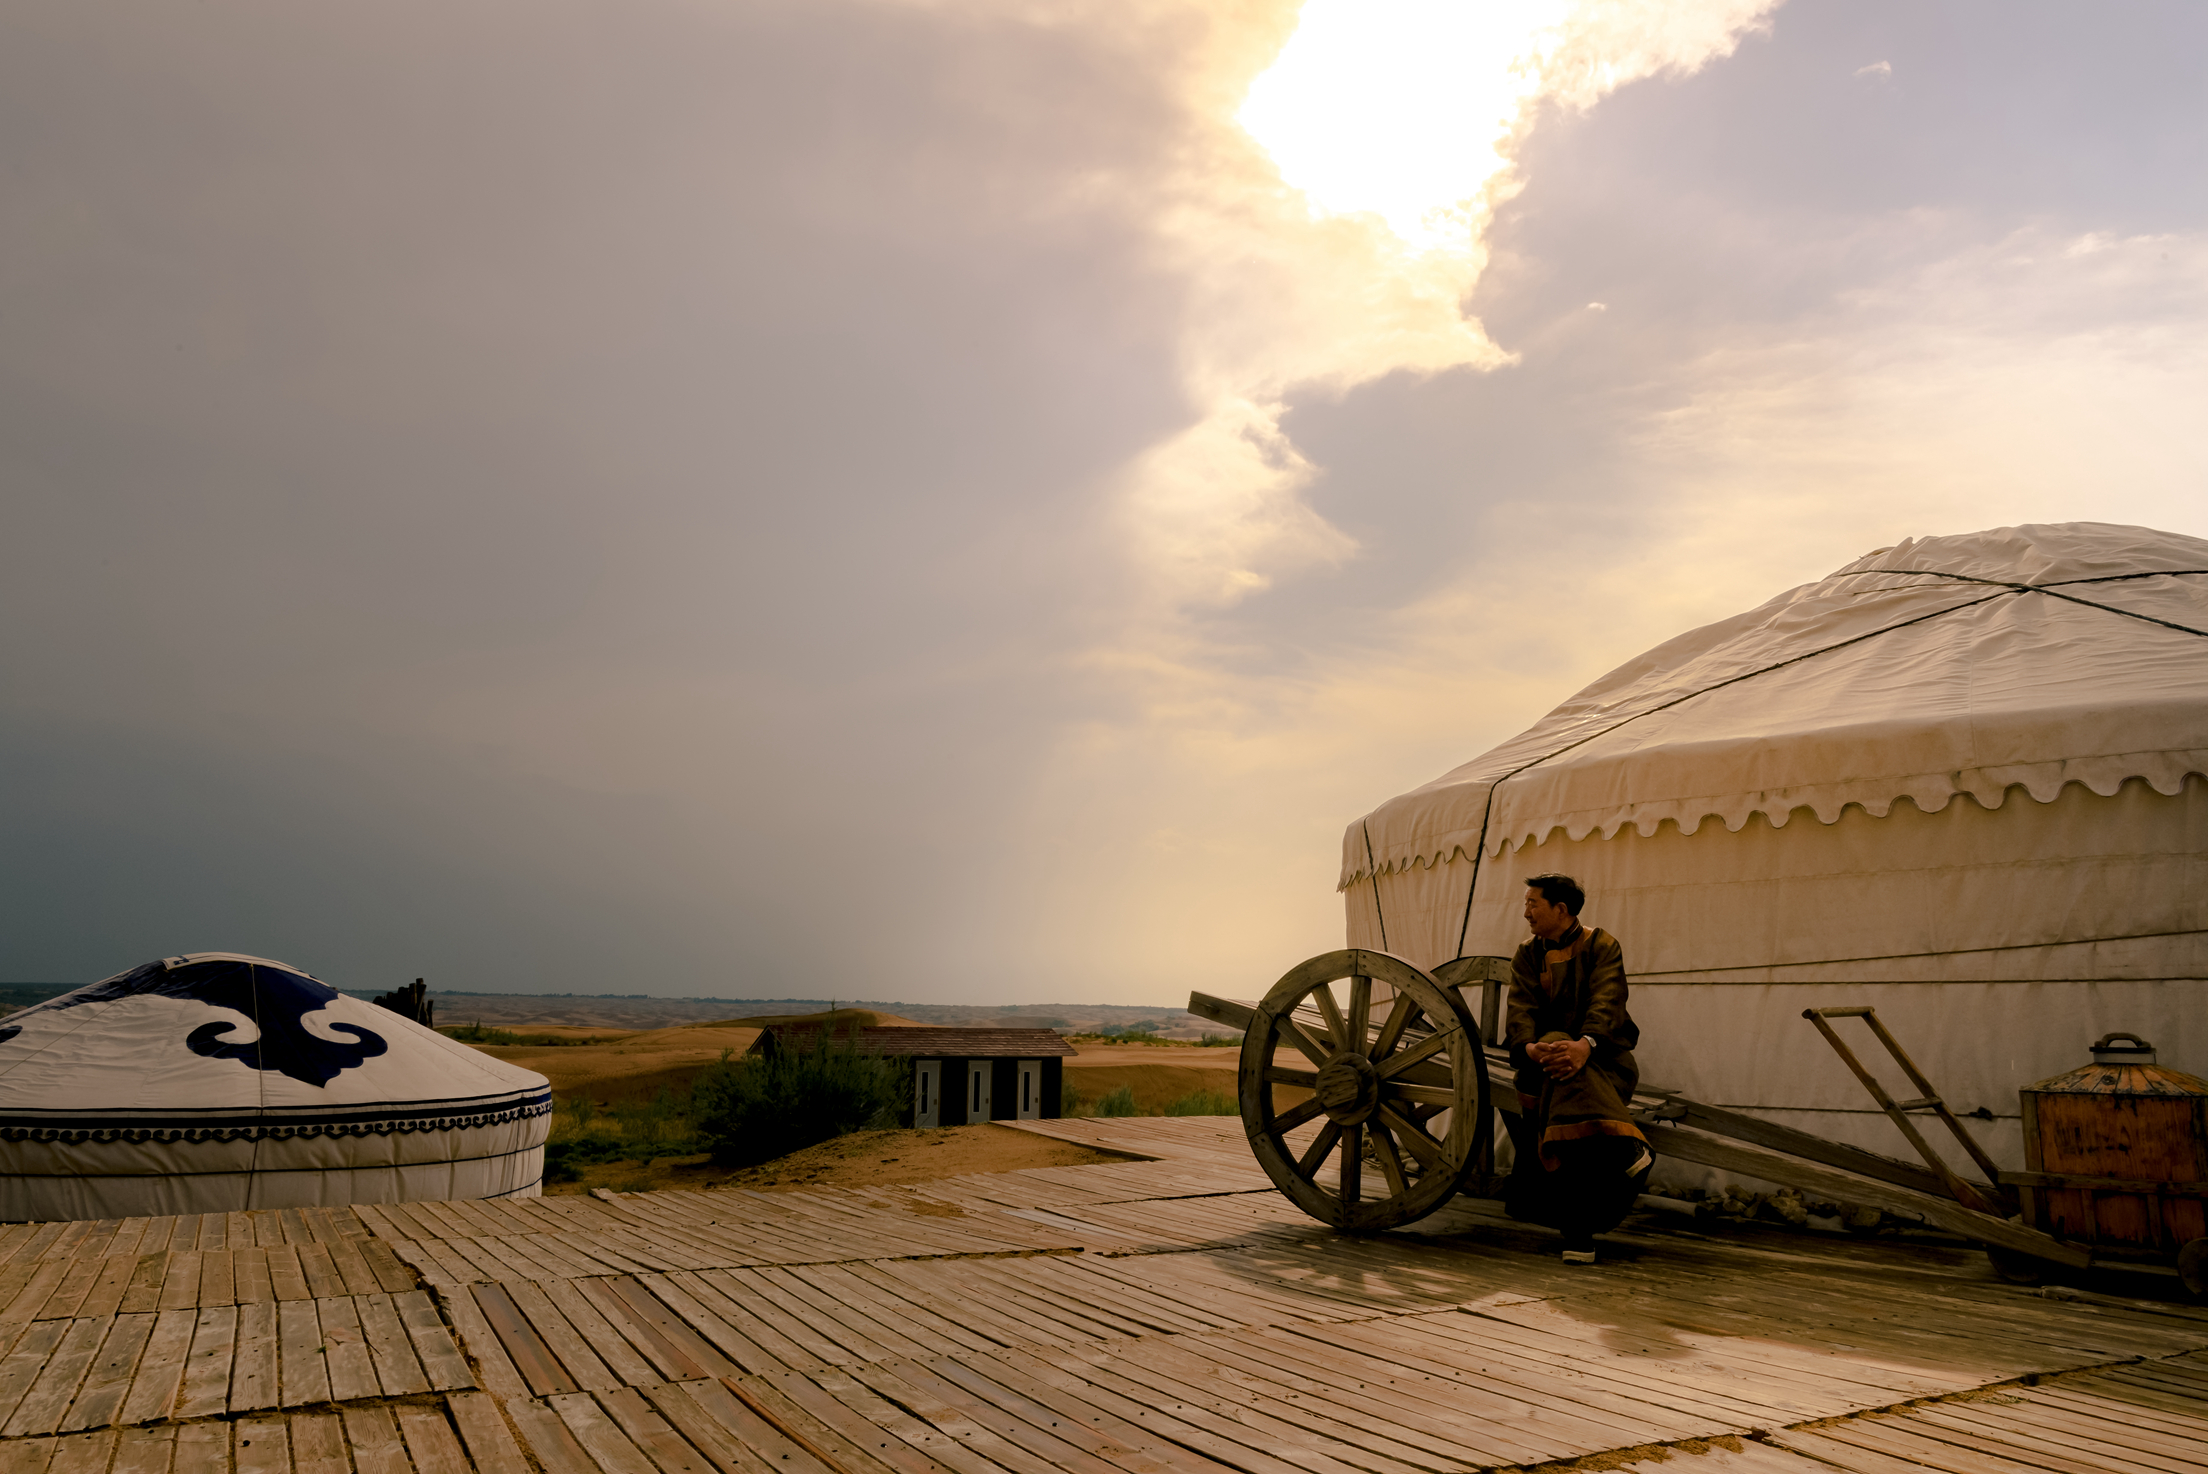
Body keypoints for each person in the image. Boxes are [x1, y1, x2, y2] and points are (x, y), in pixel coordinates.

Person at [1501, 872, 1653, 1264]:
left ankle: (1578, 1233)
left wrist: (1585, 1046)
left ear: (1561, 909)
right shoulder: (1527, 954)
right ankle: (1623, 1150)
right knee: (1557, 1055)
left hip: (1604, 1060)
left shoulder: (1601, 946)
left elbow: (1608, 1002)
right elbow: (1520, 1010)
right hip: (1543, 1065)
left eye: (1532, 904)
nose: (1526, 913)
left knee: (1565, 1082)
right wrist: (1532, 1048)